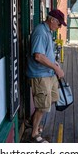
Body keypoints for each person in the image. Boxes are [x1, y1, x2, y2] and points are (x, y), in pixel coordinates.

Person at [27, 9, 67, 143]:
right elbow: (38, 56)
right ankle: (34, 134)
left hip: (48, 73)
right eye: (59, 24)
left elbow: (45, 53)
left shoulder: (48, 31)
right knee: (43, 106)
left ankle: (34, 122)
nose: (59, 27)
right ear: (52, 20)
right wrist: (56, 67)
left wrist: (54, 63)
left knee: (51, 99)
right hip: (41, 74)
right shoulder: (40, 32)